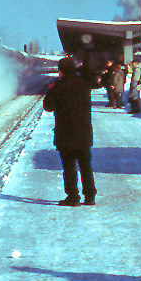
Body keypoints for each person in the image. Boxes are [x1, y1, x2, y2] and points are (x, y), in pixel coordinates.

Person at [43, 56, 96, 206]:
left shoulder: (58, 87)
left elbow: (48, 106)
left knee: (69, 167)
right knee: (86, 165)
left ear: (61, 71)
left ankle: (73, 197)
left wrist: (50, 90)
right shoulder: (84, 85)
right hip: (84, 132)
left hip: (65, 133)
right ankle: (90, 196)